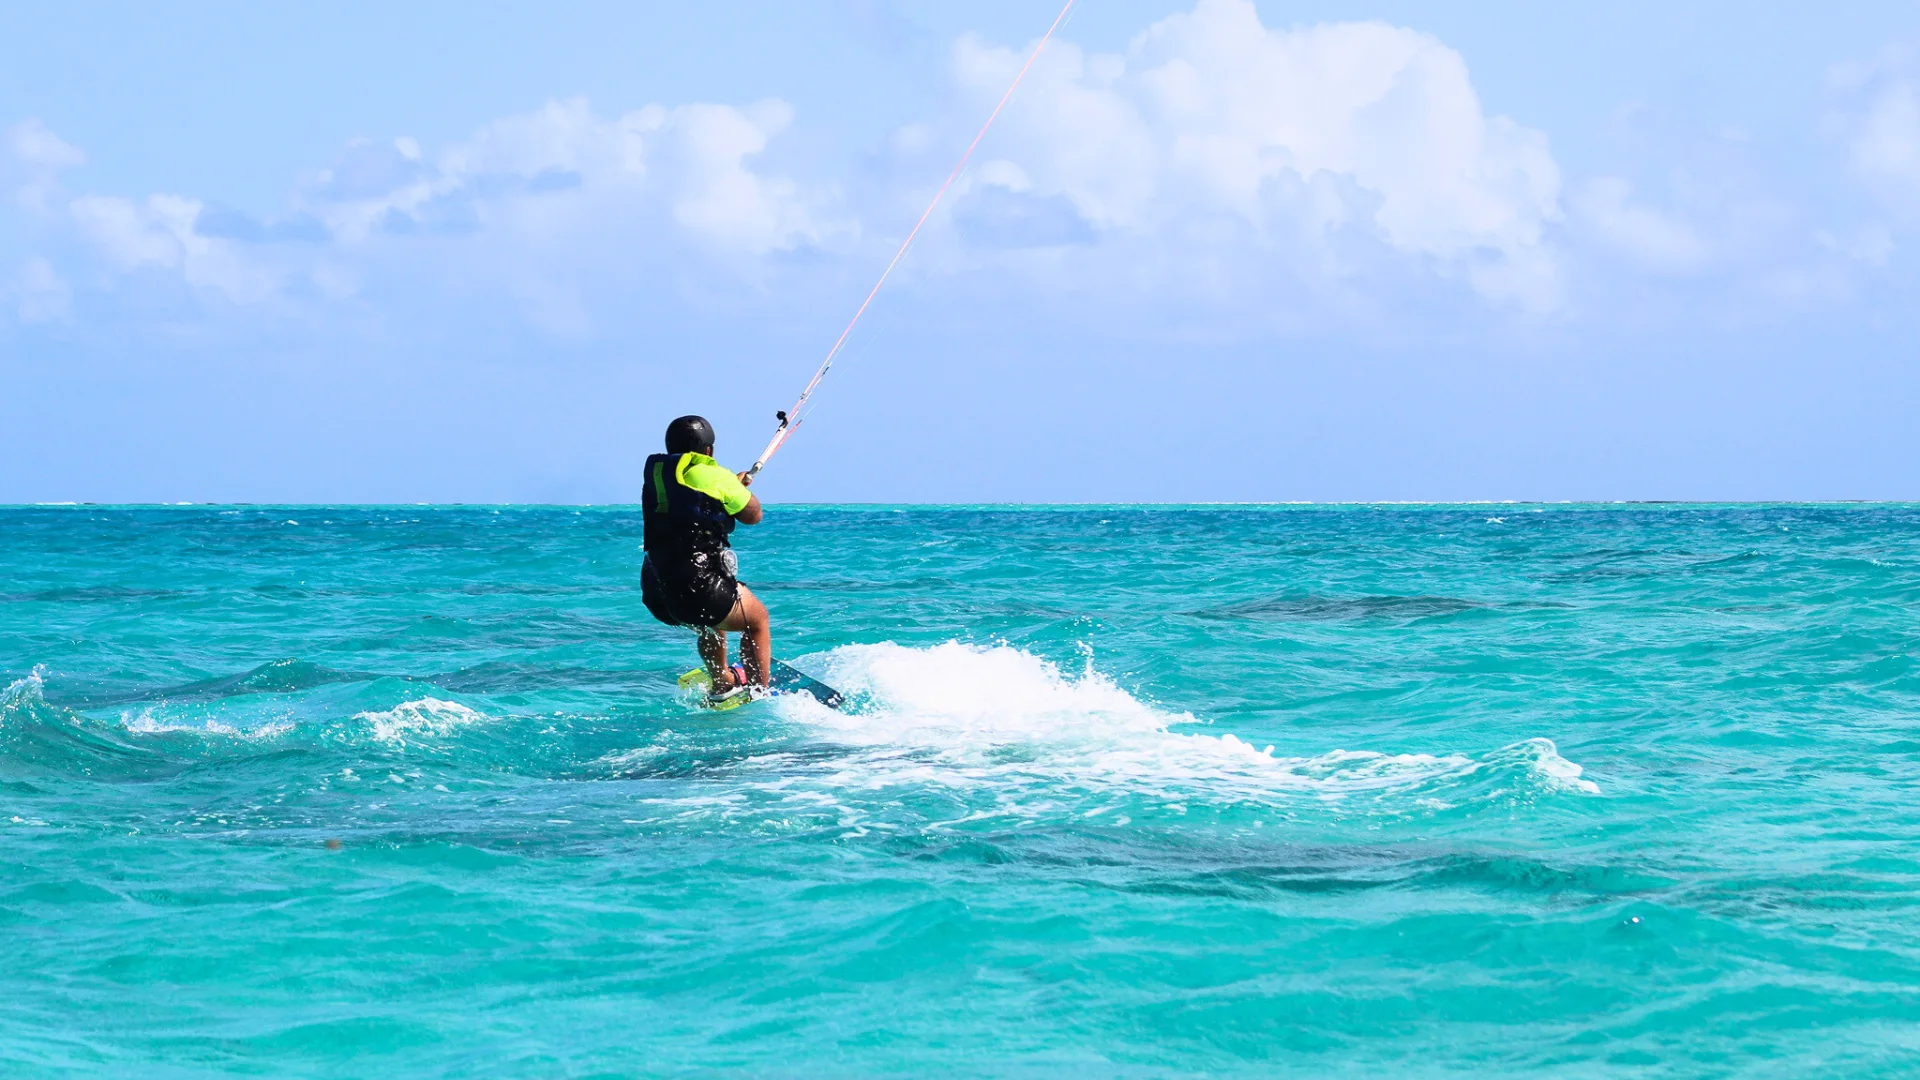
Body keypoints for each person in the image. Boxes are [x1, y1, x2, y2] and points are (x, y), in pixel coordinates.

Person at [640, 415, 772, 697]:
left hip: (658, 592)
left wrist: (729, 489)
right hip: (698, 591)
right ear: (708, 450)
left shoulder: (658, 478)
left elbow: (690, 507)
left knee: (710, 622)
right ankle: (761, 692)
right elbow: (753, 515)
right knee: (757, 619)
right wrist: (735, 489)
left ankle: (722, 680)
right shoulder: (715, 476)